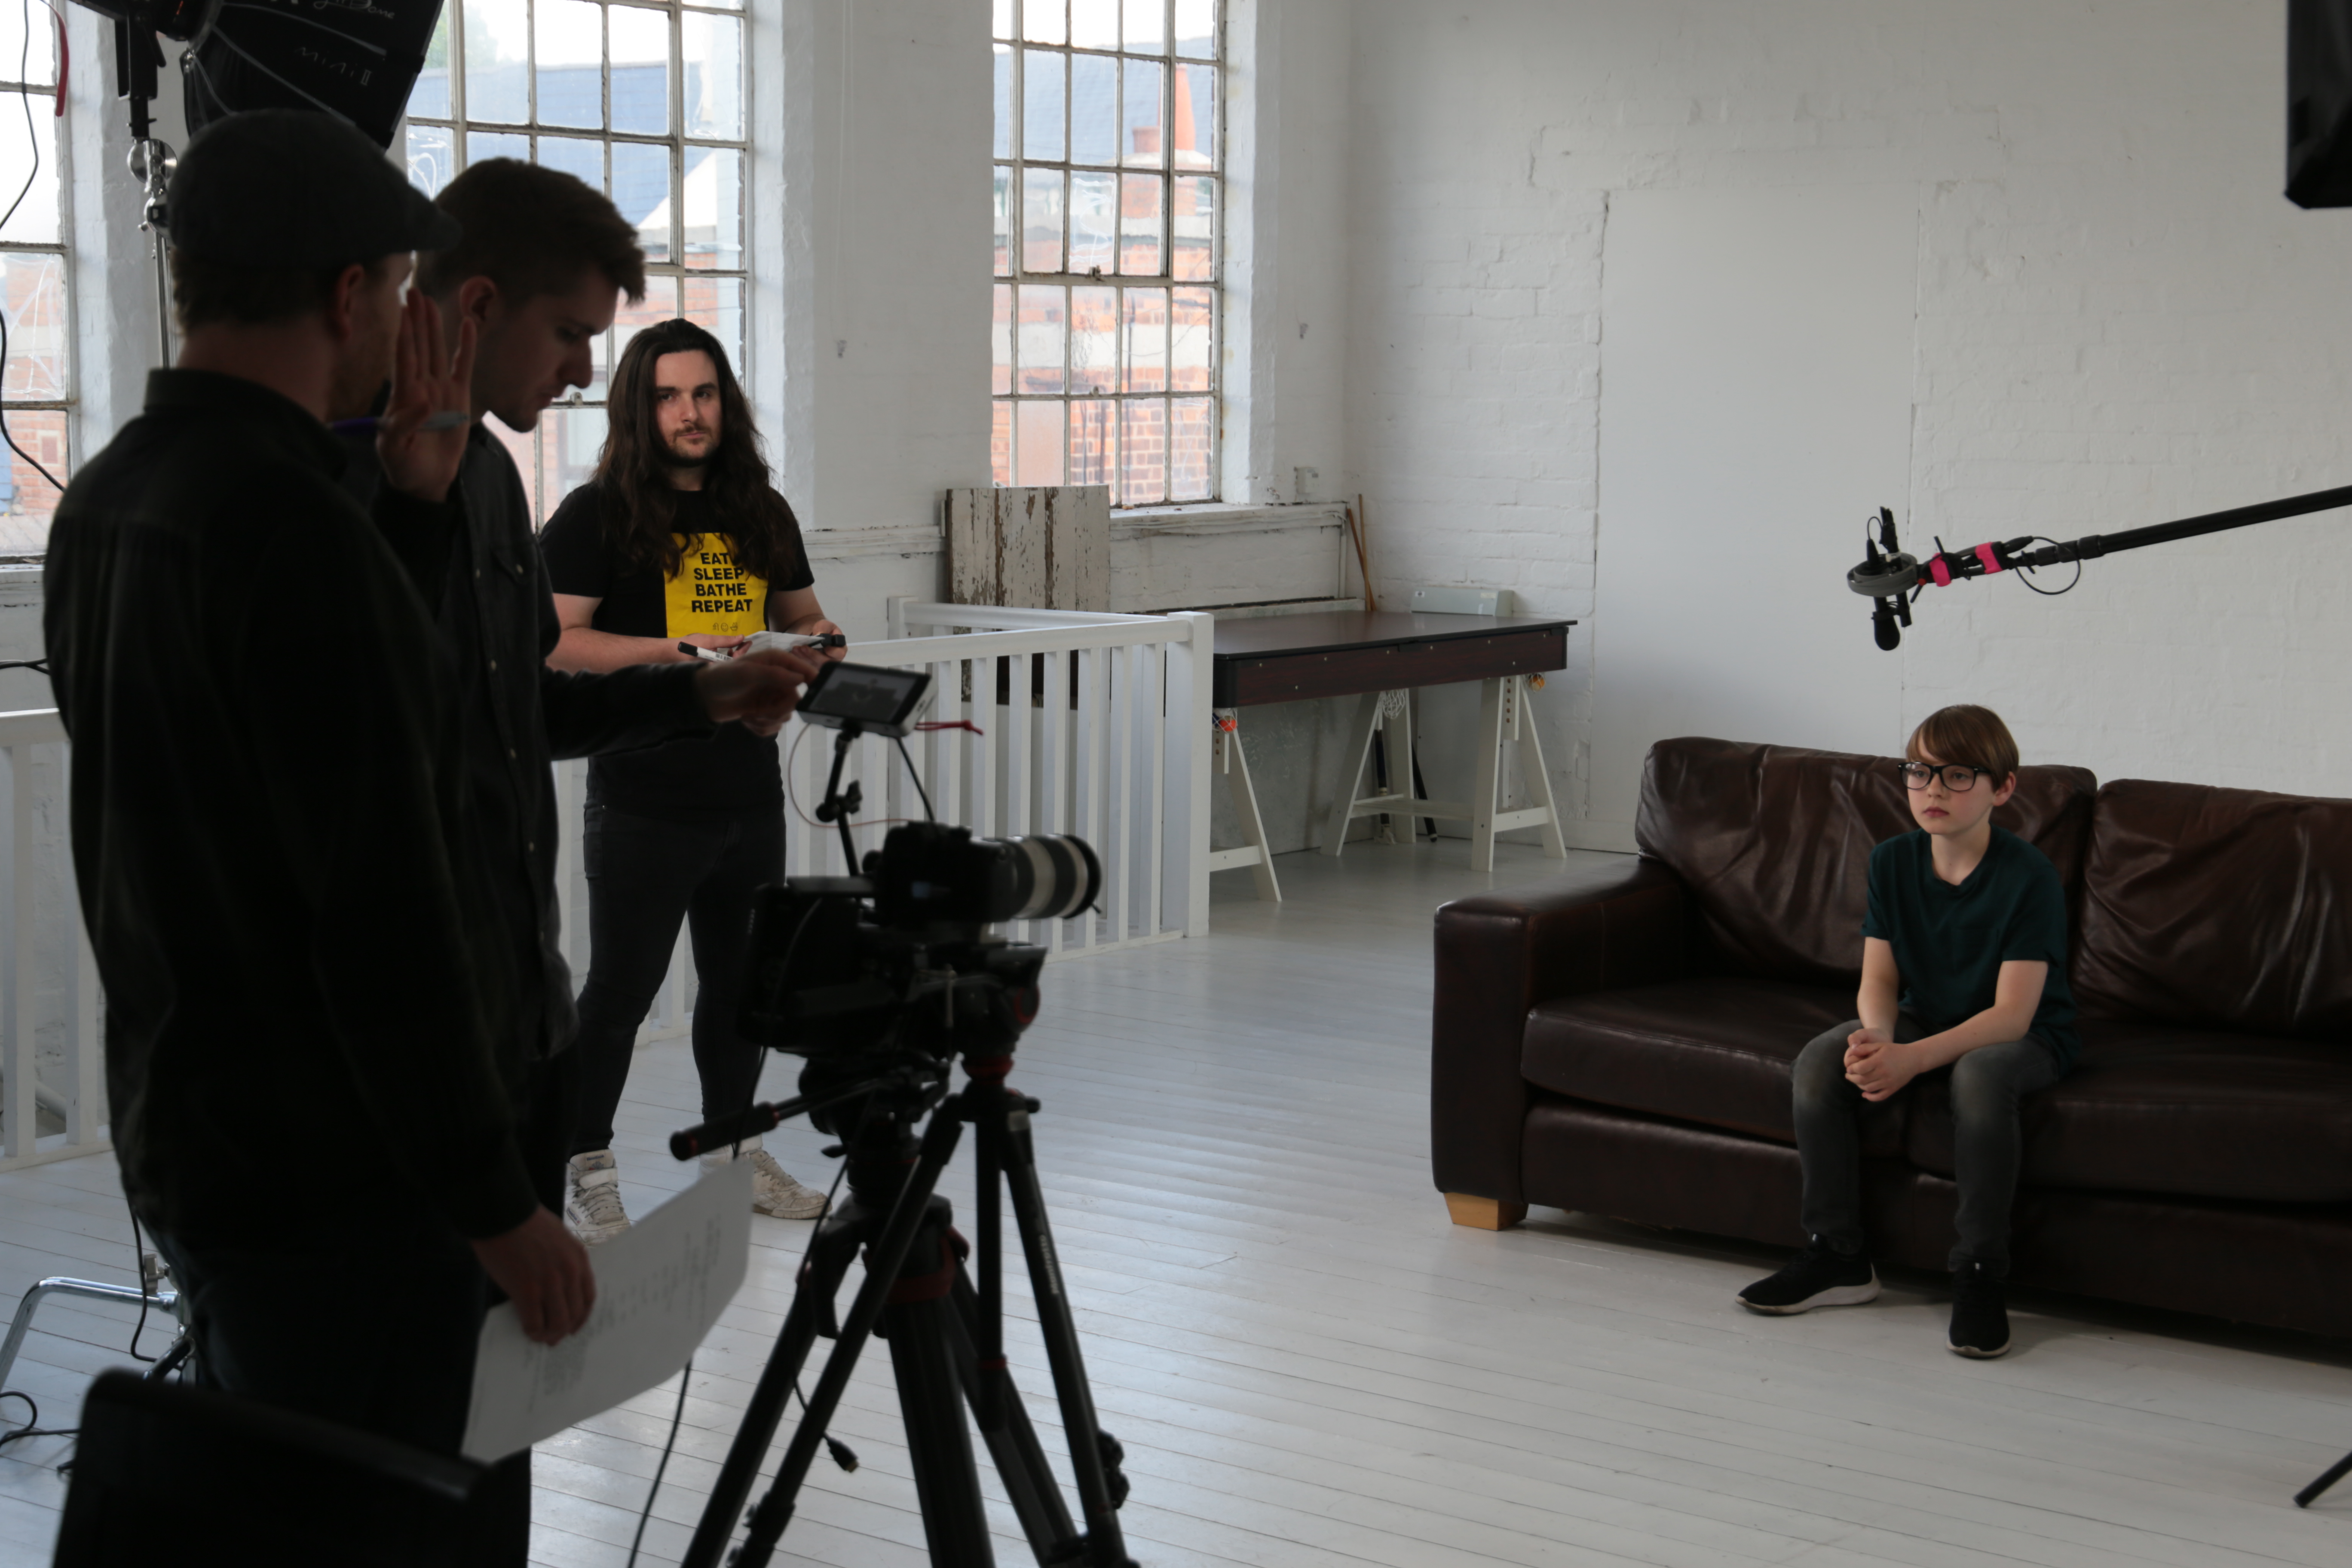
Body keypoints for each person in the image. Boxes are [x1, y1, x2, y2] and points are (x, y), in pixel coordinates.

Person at [38, 111, 611, 1553]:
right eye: (399, 292)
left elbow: (267, 787)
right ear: (351, 293)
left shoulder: (108, 499)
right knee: (397, 1516)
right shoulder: (296, 527)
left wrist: (410, 524)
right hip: (357, 1181)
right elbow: (379, 905)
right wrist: (497, 1201)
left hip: (201, 1132)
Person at [539, 318, 847, 1242]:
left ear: (727, 402)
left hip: (747, 793)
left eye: (704, 393)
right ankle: (581, 1166)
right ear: (641, 406)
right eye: (670, 396)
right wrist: (685, 655)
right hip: (641, 798)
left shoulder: (761, 510)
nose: (690, 412)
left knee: (740, 986)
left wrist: (815, 659)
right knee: (619, 996)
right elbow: (555, 640)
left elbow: (814, 621)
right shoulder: (595, 514)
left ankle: (732, 1149)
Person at [1736, 704, 2078, 1359]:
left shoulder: (2027, 876)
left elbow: (2011, 1015)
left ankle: (1980, 1270)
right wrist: (1876, 1041)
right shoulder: (1893, 861)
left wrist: (1911, 1059)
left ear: (2002, 788)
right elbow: (1880, 982)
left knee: (1980, 1076)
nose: (1933, 792)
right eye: (1920, 773)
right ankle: (1838, 1254)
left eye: (1956, 776)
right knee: (1820, 1060)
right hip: (1927, 1014)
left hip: (2029, 1034)